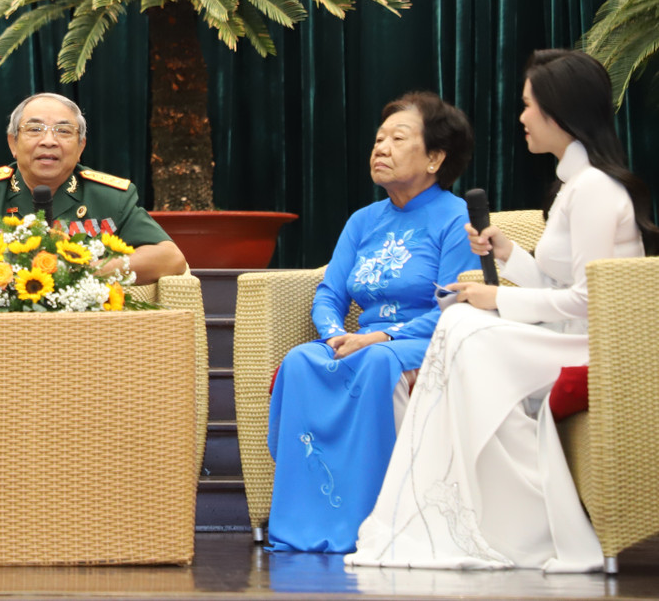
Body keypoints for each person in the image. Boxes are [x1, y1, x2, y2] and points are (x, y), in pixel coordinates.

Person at [348, 50, 657, 572]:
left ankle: (519, 518)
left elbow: (592, 301)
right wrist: (511, 255)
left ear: (558, 112)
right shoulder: (574, 186)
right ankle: (477, 513)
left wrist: (499, 297)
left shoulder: (598, 190)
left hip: (592, 342)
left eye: (529, 106)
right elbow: (562, 284)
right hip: (565, 332)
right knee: (462, 326)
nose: (522, 118)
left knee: (467, 328)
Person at [265, 92, 477, 553]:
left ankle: (381, 518)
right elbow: (330, 293)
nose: (380, 148)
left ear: (436, 157)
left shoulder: (455, 219)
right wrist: (333, 334)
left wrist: (379, 335)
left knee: (379, 360)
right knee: (301, 360)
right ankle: (306, 518)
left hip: (426, 340)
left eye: (398, 138)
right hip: (360, 339)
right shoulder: (363, 221)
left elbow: (452, 307)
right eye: (379, 138)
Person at [0, 92, 187, 284]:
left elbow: (170, 258)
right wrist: (4, 271)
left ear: (81, 147)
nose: (49, 141)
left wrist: (84, 272)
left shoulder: (111, 197)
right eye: (35, 129)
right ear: (13, 143)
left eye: (63, 131)